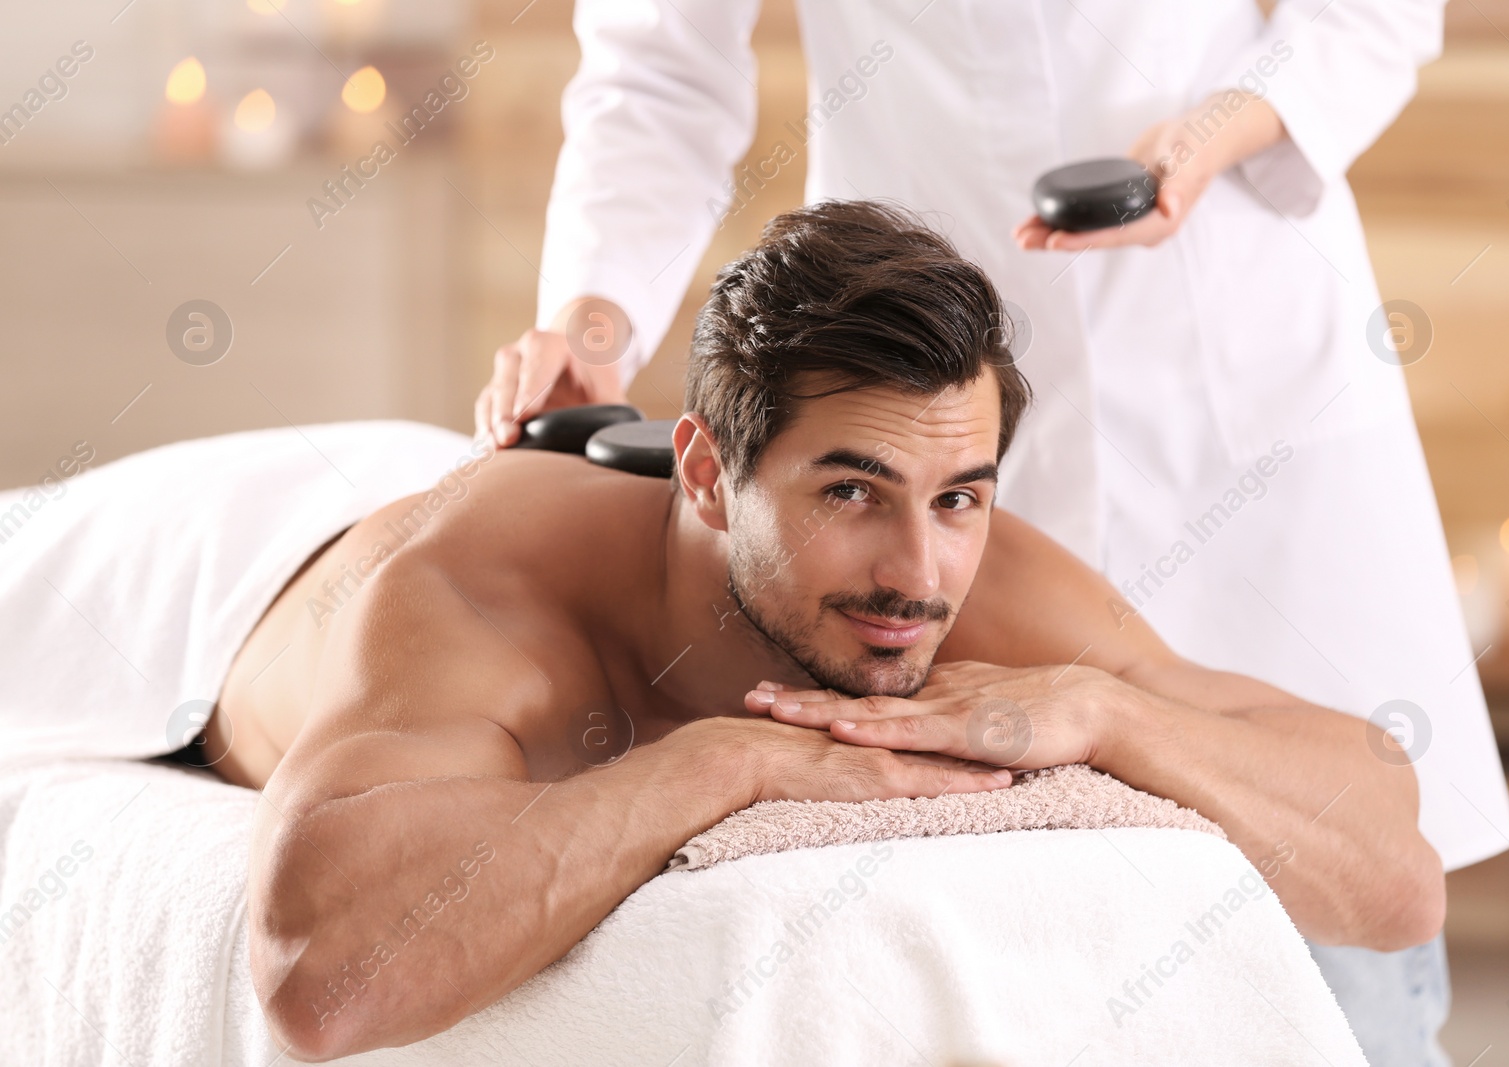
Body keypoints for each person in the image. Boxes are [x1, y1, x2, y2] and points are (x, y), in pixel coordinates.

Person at [474, 4, 1509, 1062]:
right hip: (908, 377)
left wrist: (1232, 120)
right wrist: (594, 324)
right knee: (995, 958)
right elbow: (657, 71)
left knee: (1335, 948)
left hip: (1234, 364)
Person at [223, 202, 1441, 1060]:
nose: (918, 572)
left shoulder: (980, 574)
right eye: (849, 491)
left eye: (958, 494)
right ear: (704, 474)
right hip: (238, 550)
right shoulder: (479, 592)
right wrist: (726, 761)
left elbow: (1396, 880)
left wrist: (1114, 710)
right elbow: (317, 980)